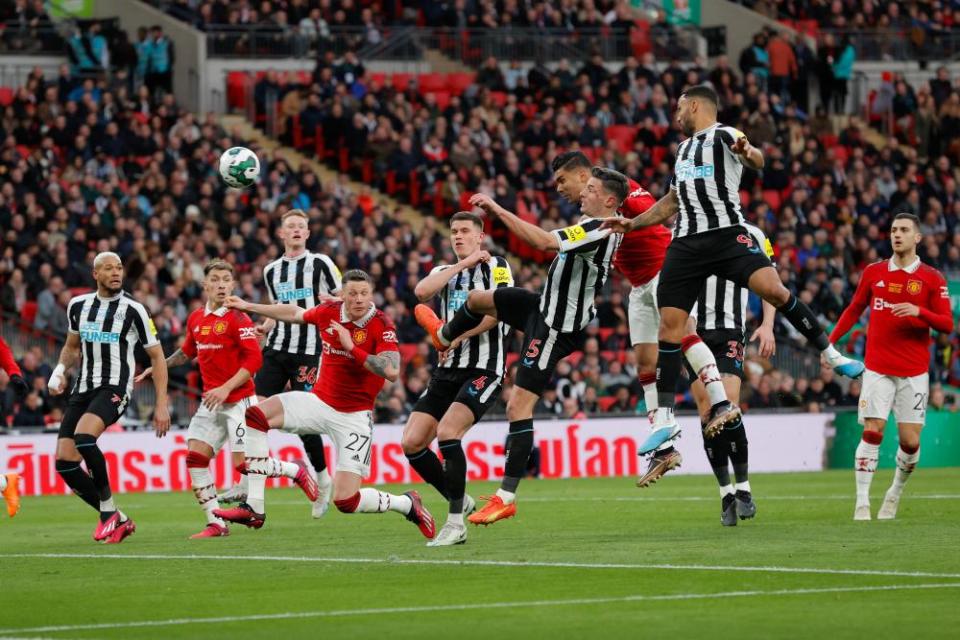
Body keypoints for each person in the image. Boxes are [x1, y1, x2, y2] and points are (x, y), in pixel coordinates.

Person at [601, 85, 864, 478]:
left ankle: (831, 355)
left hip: (726, 235)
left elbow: (756, 158)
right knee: (669, 330)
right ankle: (665, 421)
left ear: (693, 106)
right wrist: (633, 223)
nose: (674, 117)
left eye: (677, 109)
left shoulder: (724, 135)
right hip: (686, 243)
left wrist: (748, 152)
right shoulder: (683, 151)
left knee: (774, 289)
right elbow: (673, 201)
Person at [415, 167, 626, 526]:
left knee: (518, 406)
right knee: (478, 299)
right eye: (583, 186)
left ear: (608, 200)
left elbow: (543, 242)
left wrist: (496, 209)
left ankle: (506, 497)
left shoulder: (600, 227)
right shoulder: (597, 221)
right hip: (540, 306)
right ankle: (444, 335)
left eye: (590, 189)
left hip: (555, 327)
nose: (582, 194)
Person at [550, 150, 737, 487]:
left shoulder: (623, 192)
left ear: (583, 176)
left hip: (666, 270)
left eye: (563, 180)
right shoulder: (587, 220)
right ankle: (663, 446)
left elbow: (659, 211)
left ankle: (722, 402)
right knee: (645, 365)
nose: (559, 188)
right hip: (638, 286)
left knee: (683, 334)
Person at [215, 270, 435, 539]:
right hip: (318, 403)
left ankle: (406, 503)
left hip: (354, 417)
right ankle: (255, 508)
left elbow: (390, 370)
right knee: (256, 416)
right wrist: (249, 306)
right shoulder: (329, 310)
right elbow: (295, 313)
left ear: (372, 294)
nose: (358, 299)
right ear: (342, 295)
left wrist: (351, 346)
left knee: (346, 501)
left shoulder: (381, 323)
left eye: (364, 293)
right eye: (352, 293)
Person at [138, 260, 316, 538]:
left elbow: (255, 359)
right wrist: (160, 366)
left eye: (226, 280)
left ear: (233, 286)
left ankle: (295, 470)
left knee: (243, 465)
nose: (221, 284)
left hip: (240, 402)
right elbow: (186, 352)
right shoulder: (196, 318)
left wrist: (225, 388)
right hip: (213, 402)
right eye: (216, 279)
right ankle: (216, 524)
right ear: (205, 284)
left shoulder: (238, 318)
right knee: (195, 458)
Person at [829, 213, 954, 521]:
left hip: (914, 372)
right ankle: (861, 504)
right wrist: (828, 342)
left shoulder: (932, 278)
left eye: (904, 230)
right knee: (873, 430)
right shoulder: (873, 272)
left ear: (918, 238)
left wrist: (919, 310)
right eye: (894, 230)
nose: (897, 235)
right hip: (878, 368)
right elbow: (854, 308)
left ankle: (894, 492)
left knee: (910, 442)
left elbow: (947, 324)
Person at [218, 209, 341, 519]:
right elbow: (278, 308)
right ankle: (247, 481)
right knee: (252, 412)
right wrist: (265, 326)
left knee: (305, 423)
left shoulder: (321, 263)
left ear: (308, 233)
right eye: (291, 227)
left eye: (302, 226)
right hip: (276, 350)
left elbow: (343, 299)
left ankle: (323, 478)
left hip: (310, 351)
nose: (297, 230)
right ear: (281, 234)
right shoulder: (272, 270)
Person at [402, 211, 513, 546]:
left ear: (480, 236)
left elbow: (500, 312)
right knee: (412, 442)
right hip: (448, 369)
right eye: (453, 232)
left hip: (484, 368)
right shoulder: (445, 271)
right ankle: (459, 497)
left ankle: (455, 524)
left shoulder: (498, 266)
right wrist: (462, 265)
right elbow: (421, 293)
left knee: (448, 433)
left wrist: (455, 337)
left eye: (465, 231)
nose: (458, 236)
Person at [47, 252, 170, 544]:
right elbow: (72, 346)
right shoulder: (78, 306)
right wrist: (60, 370)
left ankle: (108, 515)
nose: (115, 273)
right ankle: (118, 516)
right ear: (95, 274)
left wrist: (161, 403)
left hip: (115, 387)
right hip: (83, 387)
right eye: (108, 268)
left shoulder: (134, 310)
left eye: (118, 268)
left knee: (84, 438)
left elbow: (157, 356)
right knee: (65, 462)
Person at [687, 222, 777, 526]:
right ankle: (726, 493)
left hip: (729, 329)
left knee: (727, 405)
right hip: (692, 332)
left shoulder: (752, 233)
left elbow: (770, 279)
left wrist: (767, 324)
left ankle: (744, 488)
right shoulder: (681, 229)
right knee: (706, 413)